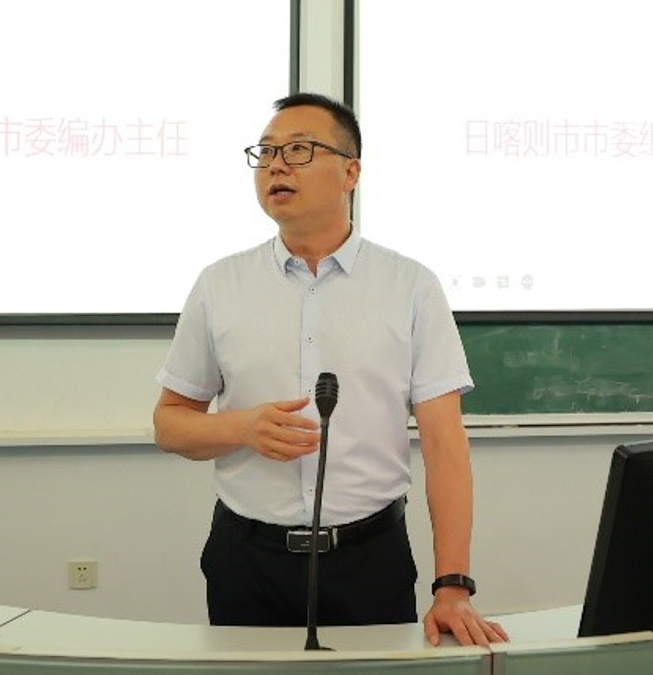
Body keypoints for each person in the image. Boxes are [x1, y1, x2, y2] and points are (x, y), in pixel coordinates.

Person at [153, 92, 507, 646]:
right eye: (266, 152)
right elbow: (170, 424)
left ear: (350, 172)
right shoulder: (220, 285)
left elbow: (445, 444)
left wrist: (453, 585)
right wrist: (241, 427)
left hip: (370, 560)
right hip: (248, 561)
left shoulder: (410, 287)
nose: (275, 165)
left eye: (298, 149)